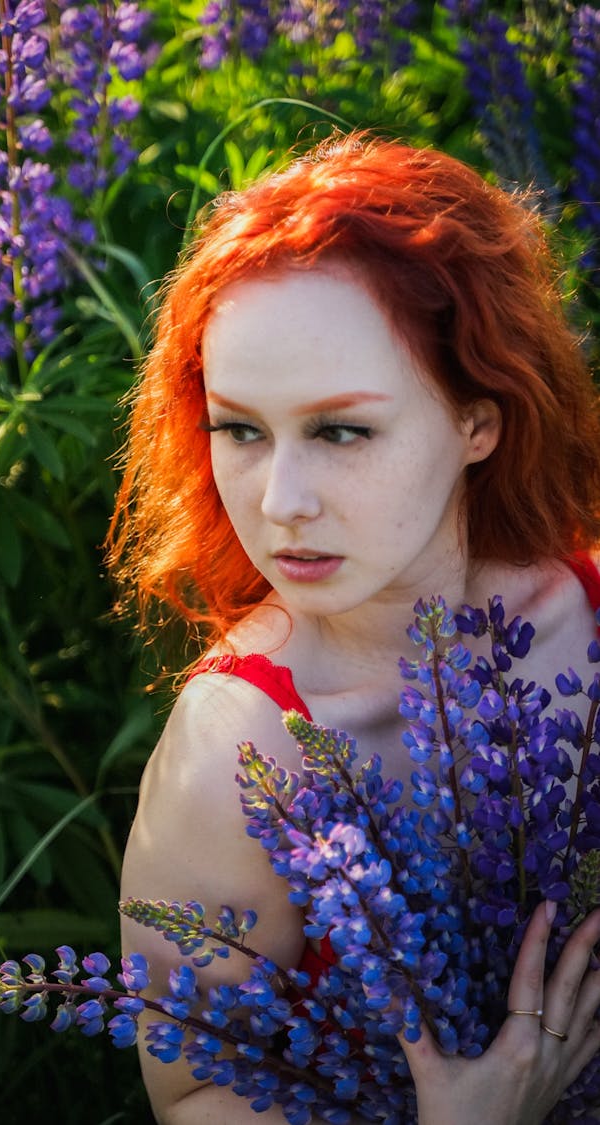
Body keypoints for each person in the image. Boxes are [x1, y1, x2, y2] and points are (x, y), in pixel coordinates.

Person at [108, 131, 600, 1124]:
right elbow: (194, 1093)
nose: (281, 500)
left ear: (479, 420)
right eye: (240, 428)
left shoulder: (584, 601)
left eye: (341, 430)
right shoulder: (233, 759)